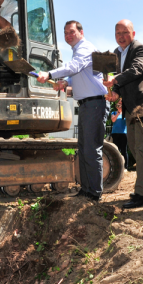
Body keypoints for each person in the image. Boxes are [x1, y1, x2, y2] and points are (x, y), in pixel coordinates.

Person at [38, 21, 108, 201]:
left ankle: (95, 193)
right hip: (86, 105)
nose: (68, 36)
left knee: (92, 150)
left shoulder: (85, 48)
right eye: (65, 33)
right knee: (84, 149)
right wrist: (66, 82)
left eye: (71, 32)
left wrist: (51, 74)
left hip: (94, 104)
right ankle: (86, 190)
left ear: (81, 32)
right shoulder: (78, 50)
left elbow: (75, 66)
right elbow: (77, 73)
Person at [104, 19, 143, 208]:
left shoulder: (139, 49)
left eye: (125, 32)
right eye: (118, 33)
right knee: (136, 148)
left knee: (142, 149)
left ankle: (142, 195)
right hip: (129, 107)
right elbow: (121, 84)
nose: (121, 36)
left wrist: (114, 79)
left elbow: (136, 70)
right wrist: (114, 94)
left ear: (133, 34)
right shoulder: (115, 54)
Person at [110, 99, 128, 171]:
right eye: (119, 105)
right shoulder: (114, 112)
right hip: (115, 133)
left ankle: (125, 167)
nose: (119, 106)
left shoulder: (126, 114)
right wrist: (118, 113)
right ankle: (116, 167)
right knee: (116, 150)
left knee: (124, 150)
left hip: (123, 134)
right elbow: (113, 120)